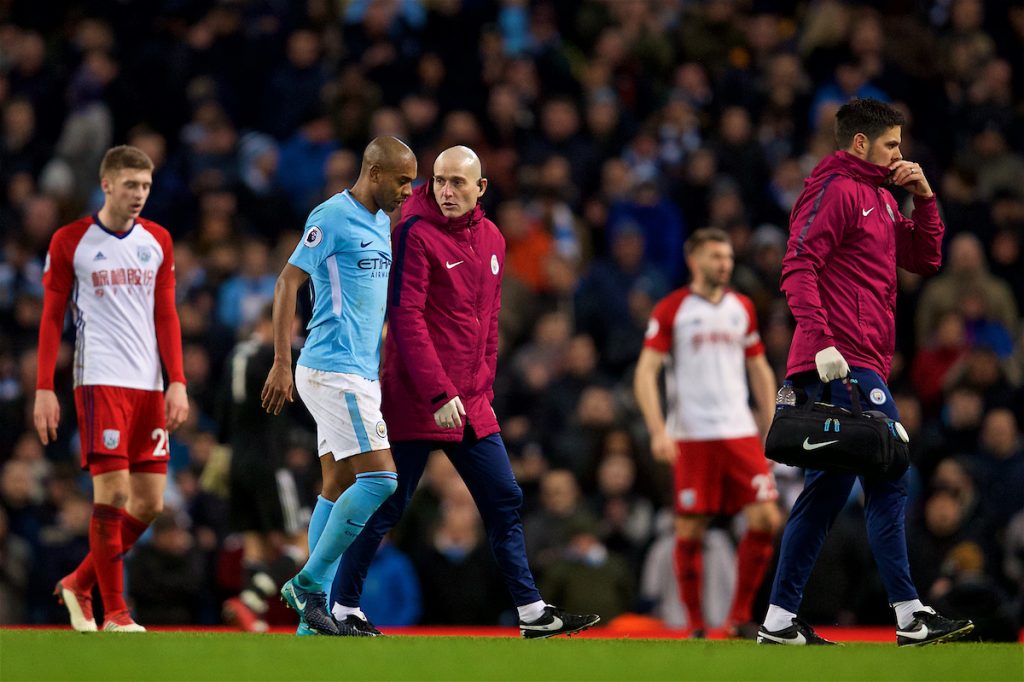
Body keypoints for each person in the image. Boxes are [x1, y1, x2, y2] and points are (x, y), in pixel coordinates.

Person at [331, 146, 600, 638]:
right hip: (418, 397)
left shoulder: (495, 239)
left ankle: (531, 612)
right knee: (390, 502)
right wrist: (438, 393)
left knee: (504, 496)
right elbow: (406, 319)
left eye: (458, 182)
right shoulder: (413, 233)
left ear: (481, 189)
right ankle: (343, 605)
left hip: (471, 400)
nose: (446, 191)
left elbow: (490, 321)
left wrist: (483, 384)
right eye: (439, 181)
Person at [758, 98, 973, 646]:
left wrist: (924, 199)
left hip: (861, 359)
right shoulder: (834, 189)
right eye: (892, 144)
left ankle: (780, 622)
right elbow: (798, 262)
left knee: (826, 493)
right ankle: (908, 613)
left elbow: (924, 259)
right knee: (890, 470)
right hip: (841, 359)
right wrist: (823, 339)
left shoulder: (878, 196)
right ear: (860, 143)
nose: (901, 153)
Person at [260, 136, 416, 636]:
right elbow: (287, 282)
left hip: (358, 373)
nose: (408, 192)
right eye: (402, 180)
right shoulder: (330, 217)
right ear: (373, 172)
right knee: (381, 481)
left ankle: (312, 620)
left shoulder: (379, 222)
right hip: (331, 368)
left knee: (338, 485)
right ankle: (309, 584)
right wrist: (282, 360)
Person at [36, 145, 189, 632]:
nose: (139, 194)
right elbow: (51, 316)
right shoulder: (71, 241)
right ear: (106, 185)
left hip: (148, 386)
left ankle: (78, 583)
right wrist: (43, 387)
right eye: (130, 185)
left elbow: (166, 313)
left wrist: (177, 381)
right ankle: (116, 613)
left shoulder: (158, 240)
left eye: (145, 186)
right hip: (100, 379)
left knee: (150, 503)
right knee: (115, 493)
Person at [634, 227, 782, 639]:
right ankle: (697, 623)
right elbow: (646, 372)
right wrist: (658, 429)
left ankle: (738, 616)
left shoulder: (742, 308)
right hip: (693, 436)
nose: (725, 264)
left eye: (728, 257)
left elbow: (759, 367)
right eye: (716, 256)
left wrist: (771, 421)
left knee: (766, 519)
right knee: (690, 529)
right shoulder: (672, 309)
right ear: (693, 260)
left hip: (738, 432)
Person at [218, 303, 305, 632]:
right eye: (289, 327)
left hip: (237, 461)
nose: (292, 336)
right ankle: (251, 600)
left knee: (254, 542)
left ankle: (250, 617)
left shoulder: (235, 356)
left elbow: (223, 412)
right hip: (270, 462)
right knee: (301, 543)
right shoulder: (274, 356)